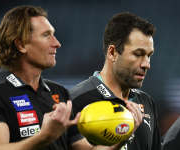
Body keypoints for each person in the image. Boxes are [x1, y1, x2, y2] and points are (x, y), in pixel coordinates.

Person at [0, 5, 141, 150]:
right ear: (20, 44)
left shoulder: (59, 93)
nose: (57, 43)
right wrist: (45, 136)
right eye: (46, 35)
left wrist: (123, 133)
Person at [69, 12, 161, 150]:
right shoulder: (76, 101)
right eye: (138, 54)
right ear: (112, 53)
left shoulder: (146, 102)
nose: (146, 64)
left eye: (149, 55)